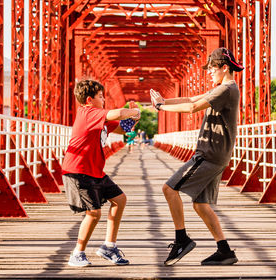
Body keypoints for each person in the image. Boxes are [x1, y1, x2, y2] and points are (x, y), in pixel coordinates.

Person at [150, 47, 244, 266]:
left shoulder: (225, 90)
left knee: (169, 189)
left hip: (209, 154)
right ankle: (225, 251)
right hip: (217, 155)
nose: (209, 73)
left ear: (224, 67)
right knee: (201, 205)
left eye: (212, 68)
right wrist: (164, 101)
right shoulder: (222, 88)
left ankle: (181, 240)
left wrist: (162, 108)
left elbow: (192, 107)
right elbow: (191, 97)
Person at [62, 79, 140, 267]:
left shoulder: (100, 119)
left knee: (120, 200)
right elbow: (120, 113)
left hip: (94, 170)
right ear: (89, 100)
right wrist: (134, 111)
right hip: (78, 170)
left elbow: (124, 128)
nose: (104, 99)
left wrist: (134, 119)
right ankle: (77, 253)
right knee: (94, 213)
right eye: (100, 96)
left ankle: (109, 247)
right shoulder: (88, 112)